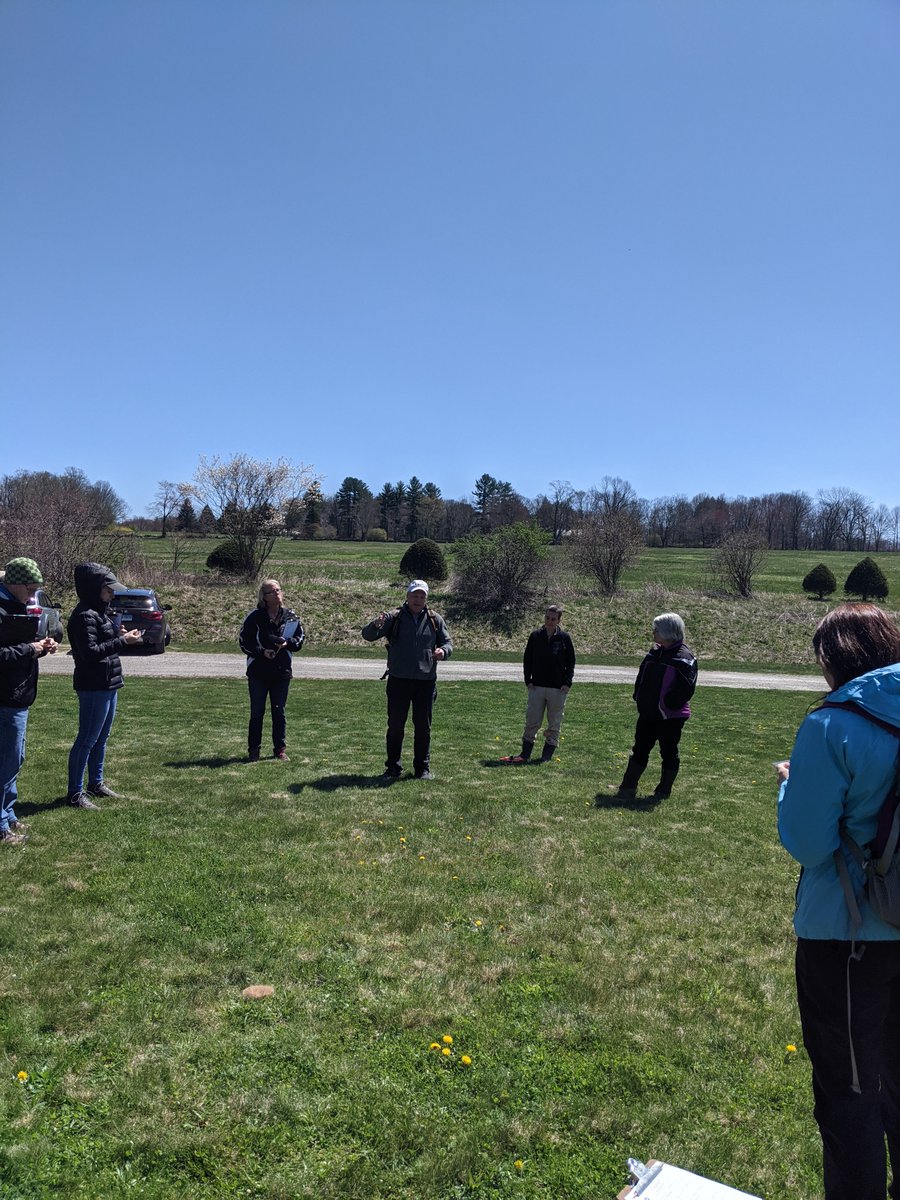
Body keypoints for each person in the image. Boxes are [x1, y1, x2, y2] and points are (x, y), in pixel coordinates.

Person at [777, 603, 900, 1200]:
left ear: (838, 659)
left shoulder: (832, 725)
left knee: (849, 1099)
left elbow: (808, 841)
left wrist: (788, 785)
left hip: (847, 936)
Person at [66, 562, 143, 809]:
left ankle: (96, 784)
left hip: (109, 683)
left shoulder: (100, 613)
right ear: (94, 588)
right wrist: (122, 640)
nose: (111, 594)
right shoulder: (84, 615)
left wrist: (116, 634)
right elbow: (89, 653)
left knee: (102, 738)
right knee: (87, 739)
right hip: (93, 685)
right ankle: (75, 793)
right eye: (108, 590)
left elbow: (102, 642)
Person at [361, 580, 452, 780]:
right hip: (398, 681)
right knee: (395, 726)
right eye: (414, 595)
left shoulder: (435, 619)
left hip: (426, 682)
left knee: (423, 727)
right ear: (407, 596)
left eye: (422, 596)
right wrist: (375, 625)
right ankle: (393, 768)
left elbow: (447, 643)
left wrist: (443, 651)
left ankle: (422, 769)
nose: (418, 599)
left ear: (426, 598)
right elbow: (368, 635)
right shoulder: (394, 617)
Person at [0, 557, 58, 844]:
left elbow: (20, 649)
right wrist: (29, 649)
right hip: (5, 697)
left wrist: (42, 648)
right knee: (5, 761)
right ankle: (0, 826)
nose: (32, 595)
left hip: (19, 696)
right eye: (30, 589)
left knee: (15, 759)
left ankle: (8, 814)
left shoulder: (17, 607)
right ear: (14, 583)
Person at [612, 612, 697, 800]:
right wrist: (638, 696)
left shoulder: (684, 657)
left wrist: (668, 704)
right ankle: (627, 787)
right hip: (648, 713)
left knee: (668, 751)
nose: (653, 633)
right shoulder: (654, 652)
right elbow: (641, 676)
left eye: (656, 630)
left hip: (671, 716)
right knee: (640, 748)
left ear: (668, 632)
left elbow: (687, 689)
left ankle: (663, 790)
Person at [238, 579, 305, 762]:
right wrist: (261, 652)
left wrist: (288, 643)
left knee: (279, 712)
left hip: (282, 671)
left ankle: (280, 749)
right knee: (257, 712)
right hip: (258, 671)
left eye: (278, 590)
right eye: (272, 591)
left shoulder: (291, 616)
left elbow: (300, 639)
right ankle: (254, 750)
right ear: (264, 597)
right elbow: (244, 642)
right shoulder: (255, 616)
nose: (277, 593)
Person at [500, 604, 575, 764]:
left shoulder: (564, 638)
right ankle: (525, 754)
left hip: (557, 688)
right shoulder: (535, 636)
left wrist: (567, 683)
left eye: (553, 619)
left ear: (559, 620)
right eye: (547, 617)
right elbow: (527, 659)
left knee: (554, 723)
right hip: (537, 687)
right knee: (532, 722)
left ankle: (545, 758)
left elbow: (571, 662)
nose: (549, 621)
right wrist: (528, 680)